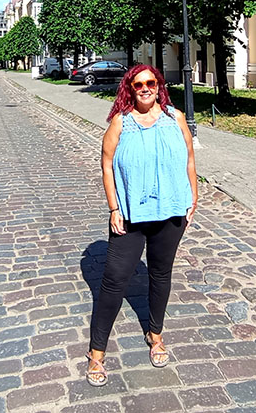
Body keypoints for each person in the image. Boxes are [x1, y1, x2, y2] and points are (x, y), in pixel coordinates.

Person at [85, 64, 198, 386]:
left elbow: (190, 158)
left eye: (151, 82)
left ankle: (155, 335)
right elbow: (107, 164)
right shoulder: (121, 122)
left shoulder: (175, 118)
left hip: (171, 213)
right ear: (130, 89)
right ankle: (96, 352)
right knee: (114, 281)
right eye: (138, 84)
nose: (145, 88)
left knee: (161, 275)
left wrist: (194, 196)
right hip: (131, 216)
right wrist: (114, 208)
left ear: (159, 86)